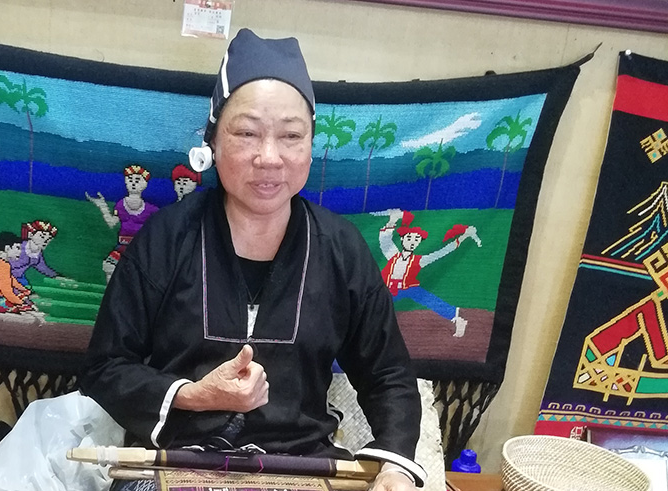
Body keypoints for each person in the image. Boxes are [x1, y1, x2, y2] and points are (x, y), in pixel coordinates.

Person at [80, 29, 425, 491]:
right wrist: (193, 395)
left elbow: (388, 375)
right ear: (212, 143)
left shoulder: (340, 248)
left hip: (301, 466)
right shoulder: (165, 238)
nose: (269, 158)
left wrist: (397, 465)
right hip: (177, 464)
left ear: (310, 145)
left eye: (290, 136)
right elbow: (105, 368)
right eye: (246, 133)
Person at [373, 209, 479, 338]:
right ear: (402, 239)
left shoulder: (419, 260)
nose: (412, 242)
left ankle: (458, 319)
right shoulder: (393, 255)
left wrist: (463, 237)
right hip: (390, 289)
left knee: (429, 299)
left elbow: (441, 252)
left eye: (416, 240)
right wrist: (393, 220)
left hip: (409, 288)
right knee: (375, 304)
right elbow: (385, 241)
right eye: (409, 238)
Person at [85, 165, 160, 283]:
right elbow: (111, 223)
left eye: (137, 180)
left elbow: (160, 224)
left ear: (144, 184)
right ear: (126, 182)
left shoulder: (151, 209)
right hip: (123, 245)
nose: (133, 183)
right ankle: (111, 295)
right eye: (130, 180)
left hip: (140, 248)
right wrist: (103, 206)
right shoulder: (120, 204)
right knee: (110, 267)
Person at [9, 220, 67, 288]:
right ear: (30, 235)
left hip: (19, 280)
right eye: (42, 237)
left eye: (49, 239)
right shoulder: (18, 248)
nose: (45, 241)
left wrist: (58, 277)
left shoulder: (37, 254)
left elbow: (44, 268)